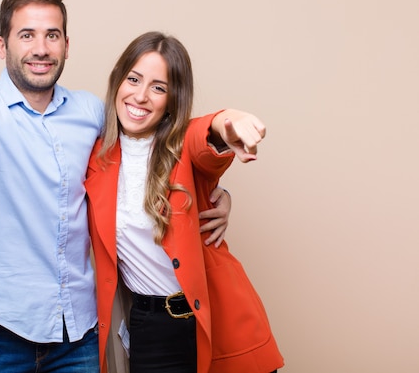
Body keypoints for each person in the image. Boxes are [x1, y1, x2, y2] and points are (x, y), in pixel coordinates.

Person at [0, 0, 233, 373]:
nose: (40, 48)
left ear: (66, 45)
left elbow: (156, 151)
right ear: (2, 46)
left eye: (51, 35)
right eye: (27, 35)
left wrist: (215, 193)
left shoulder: (91, 112)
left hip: (78, 336)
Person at [83, 32, 284, 372]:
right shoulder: (93, 158)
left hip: (221, 317)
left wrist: (229, 123)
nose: (141, 95)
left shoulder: (184, 144)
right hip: (151, 328)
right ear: (118, 80)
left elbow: (209, 135)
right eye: (133, 79)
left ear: (173, 100)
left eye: (158, 87)